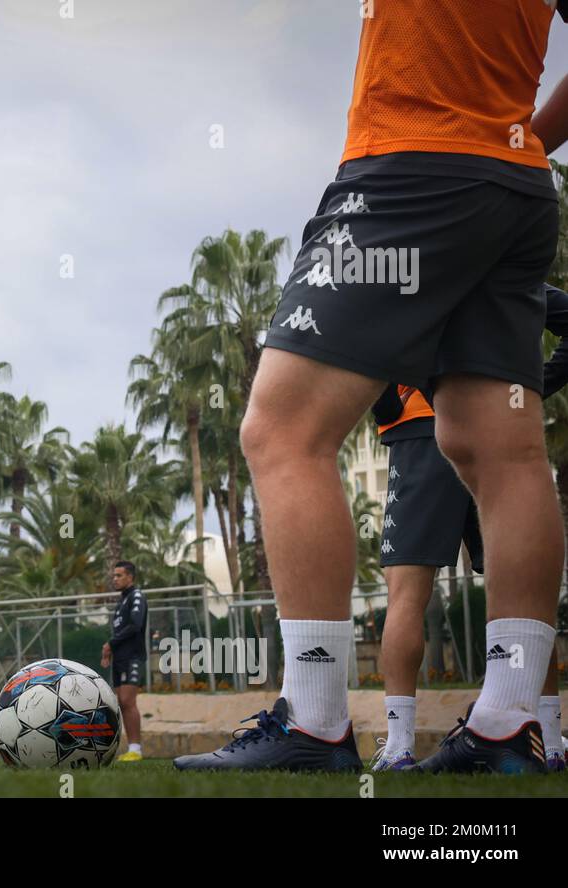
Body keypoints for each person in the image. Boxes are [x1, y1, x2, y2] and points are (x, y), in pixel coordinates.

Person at [176, 2, 568, 773]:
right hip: (515, 187)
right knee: (501, 451)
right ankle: (507, 724)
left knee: (282, 429)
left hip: (411, 170)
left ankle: (314, 722)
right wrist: (519, 140)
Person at [368, 284, 568, 773]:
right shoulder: (500, 268)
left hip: (422, 437)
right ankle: (550, 742)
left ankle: (397, 747)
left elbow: (362, 347)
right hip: (496, 426)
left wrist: (392, 402)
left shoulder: (411, 270)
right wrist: (532, 384)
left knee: (406, 595)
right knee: (523, 593)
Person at [101, 561, 147, 762]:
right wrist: (111, 650)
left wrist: (110, 643)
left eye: (119, 575)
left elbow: (135, 626)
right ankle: (130, 749)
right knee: (121, 703)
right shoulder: (121, 602)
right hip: (120, 659)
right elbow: (120, 630)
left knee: (128, 701)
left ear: (130, 577)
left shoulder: (136, 596)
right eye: (114, 576)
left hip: (132, 658)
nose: (115, 579)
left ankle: (136, 750)